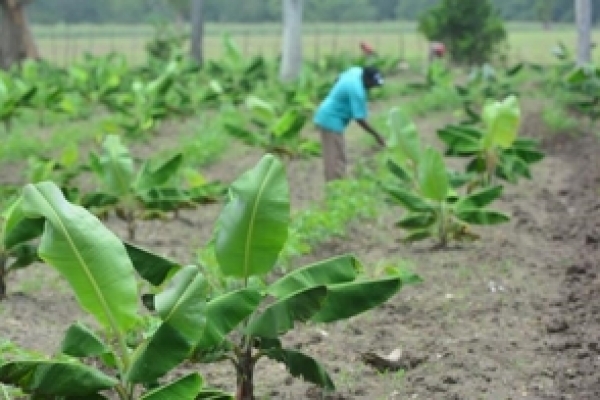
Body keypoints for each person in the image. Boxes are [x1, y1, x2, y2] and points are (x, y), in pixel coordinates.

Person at [313, 66, 386, 182]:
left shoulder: (356, 71)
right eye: (373, 84)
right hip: (331, 120)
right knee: (335, 159)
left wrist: (339, 95)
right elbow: (360, 119)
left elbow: (338, 78)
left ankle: (337, 185)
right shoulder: (357, 91)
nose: (373, 87)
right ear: (366, 80)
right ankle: (334, 188)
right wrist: (377, 135)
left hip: (330, 114)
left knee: (338, 156)